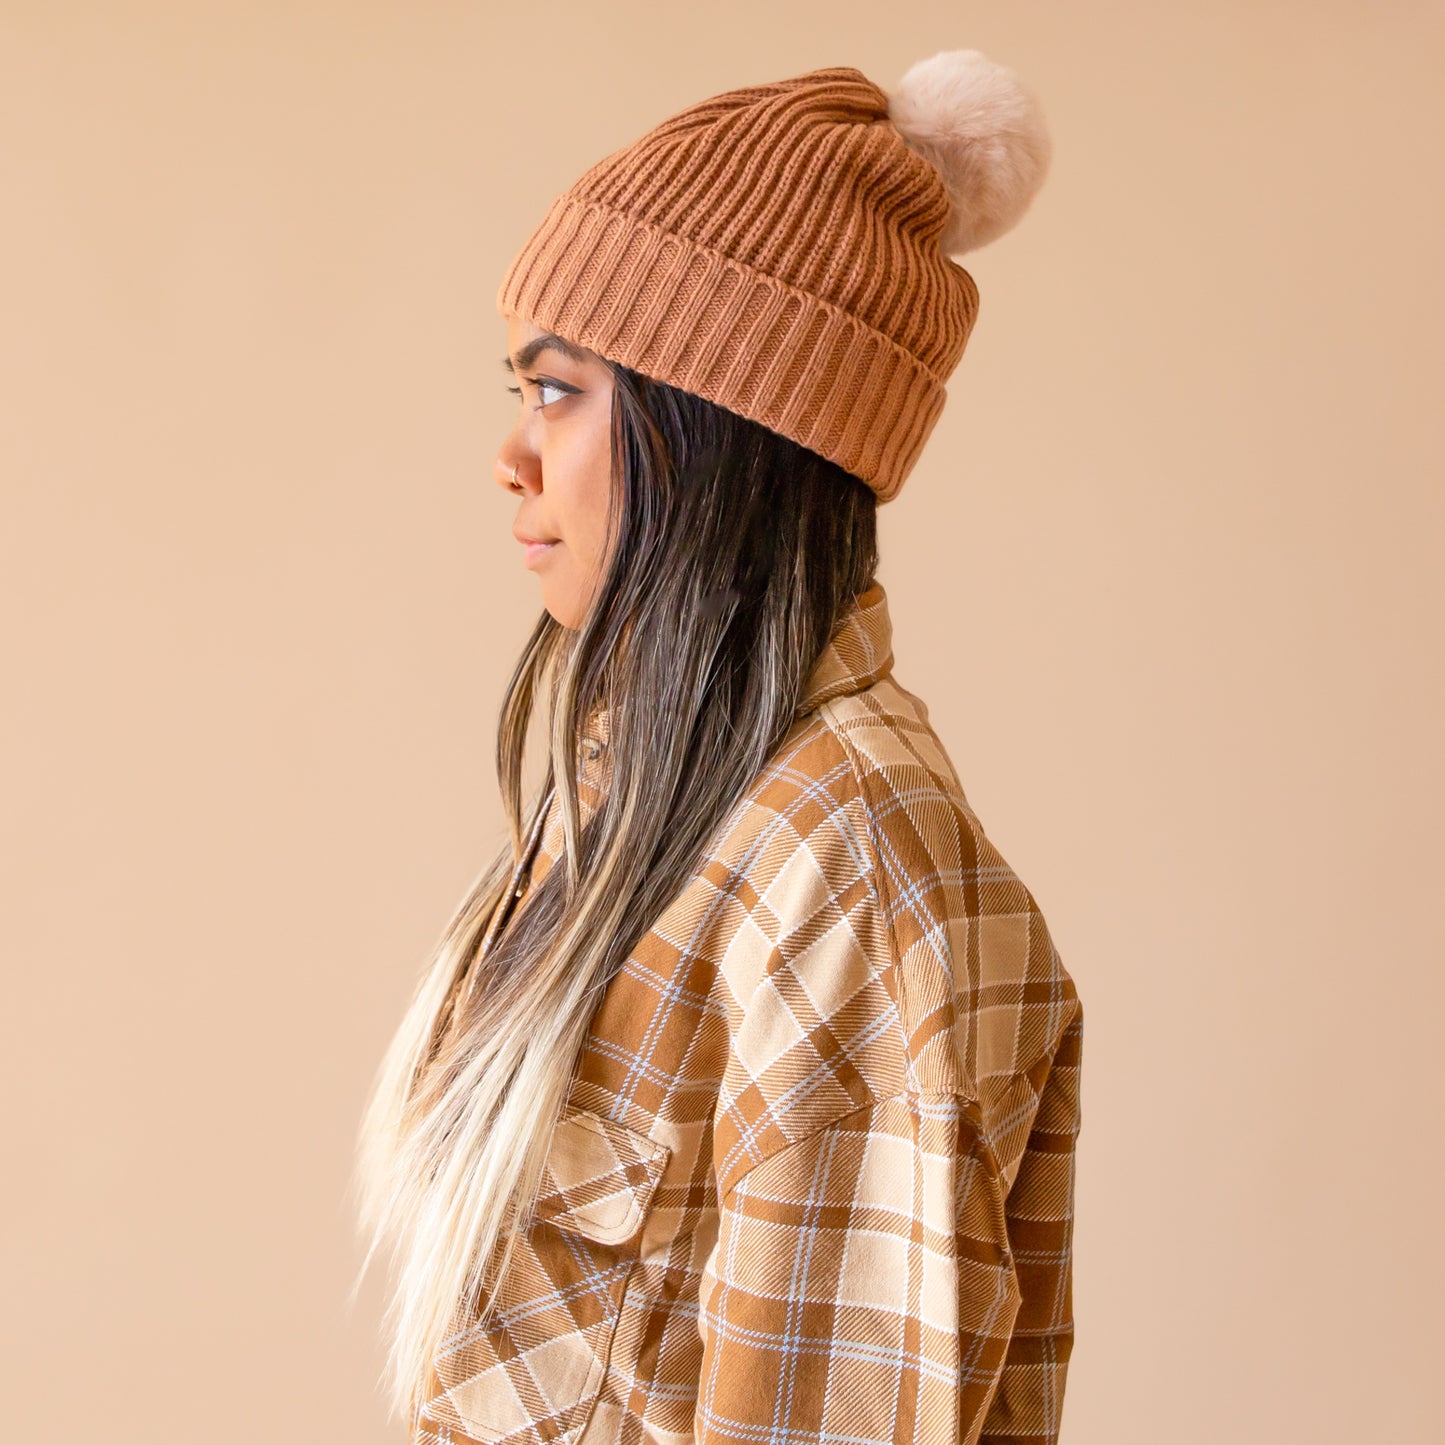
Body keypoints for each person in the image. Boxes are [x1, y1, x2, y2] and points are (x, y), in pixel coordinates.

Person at [355, 47, 1083, 1445]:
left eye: (559, 390)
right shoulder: (666, 809)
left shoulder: (846, 868)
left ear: (723, 427)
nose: (512, 456)